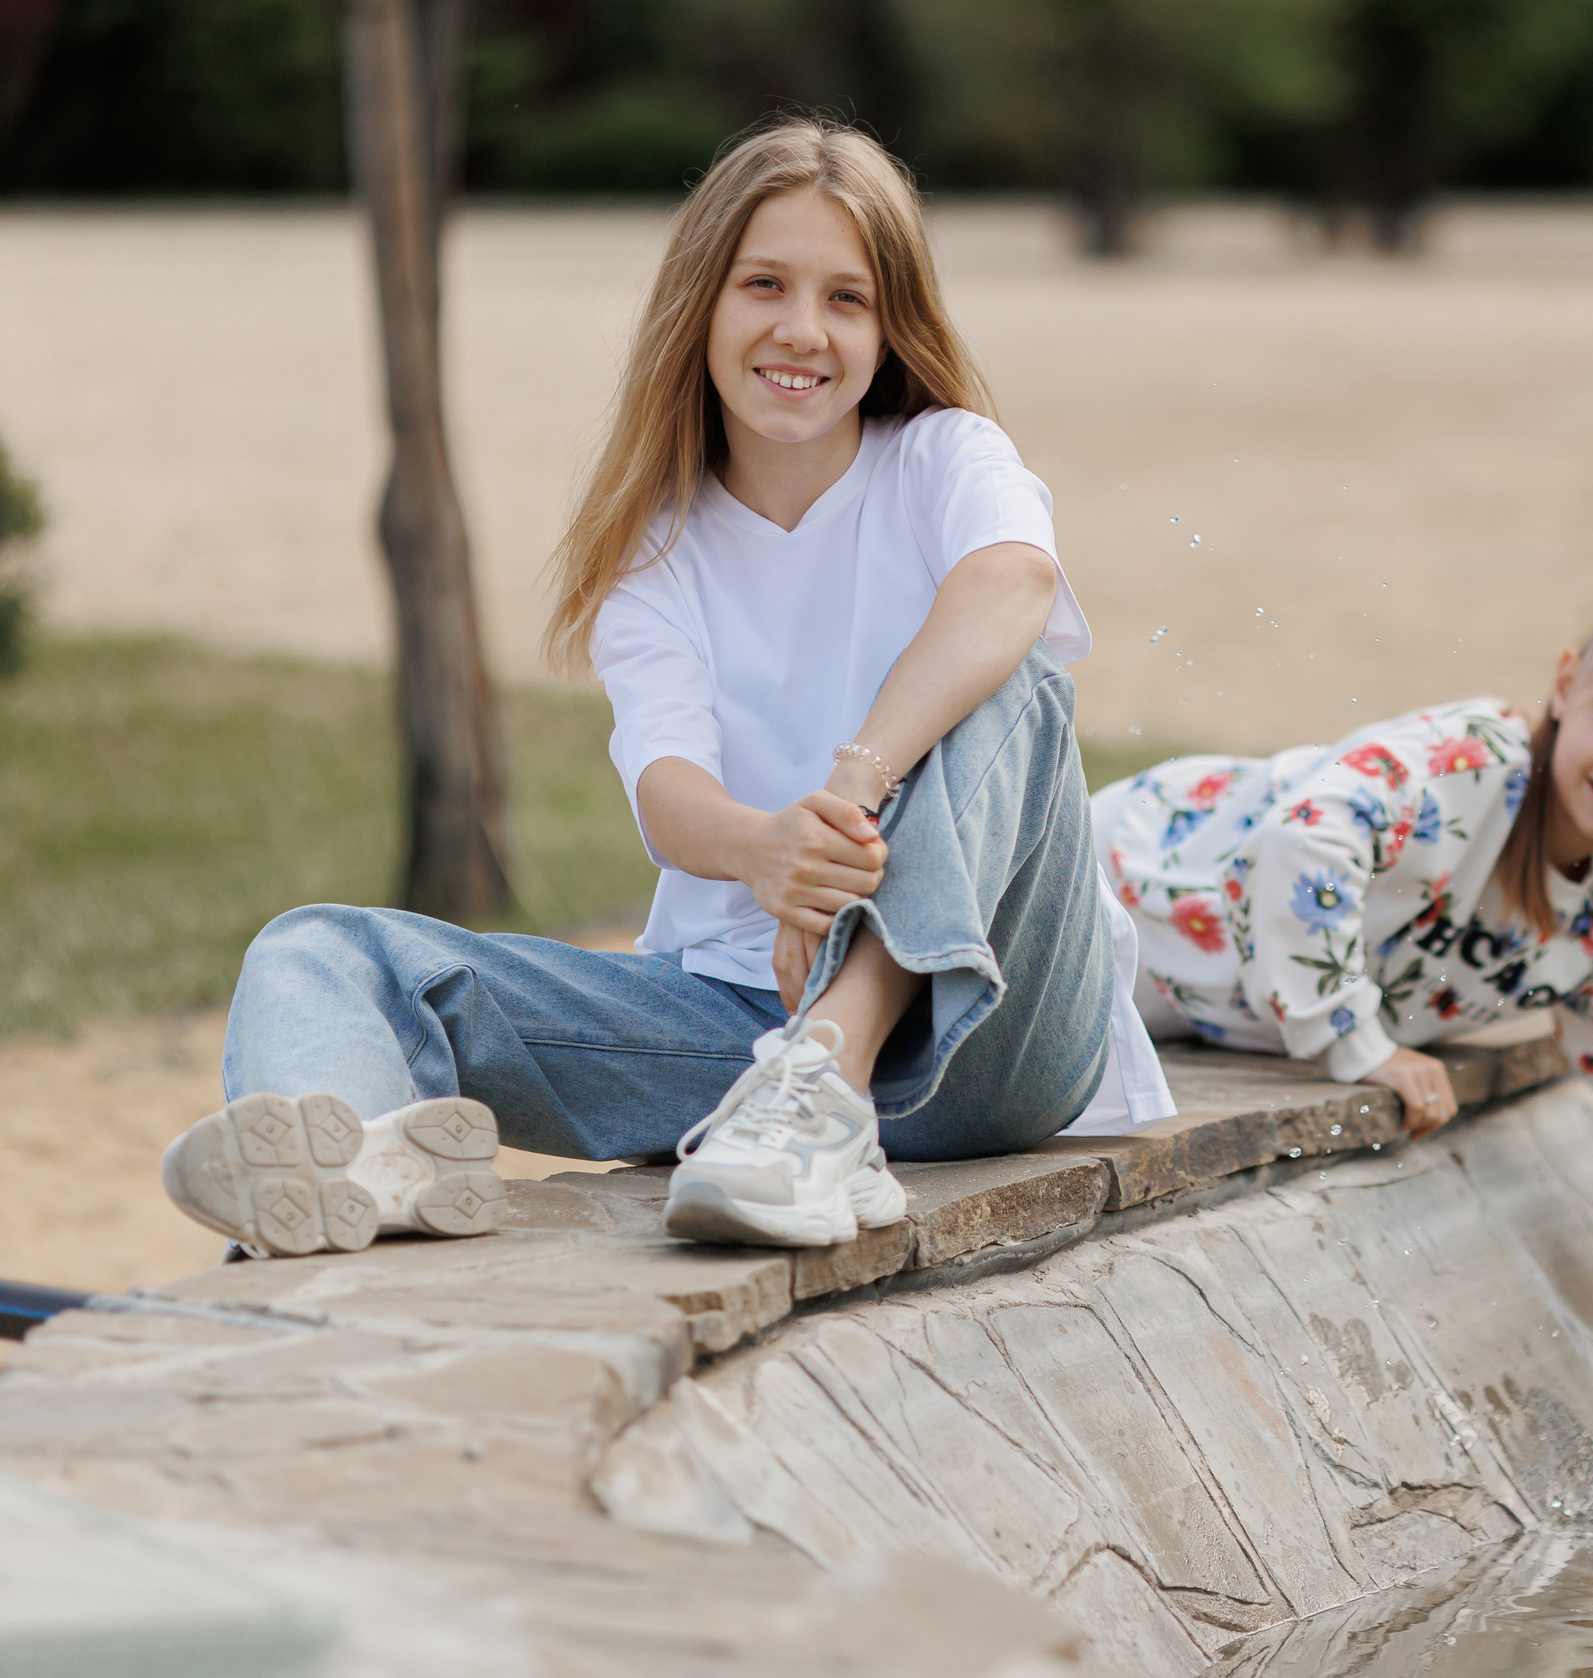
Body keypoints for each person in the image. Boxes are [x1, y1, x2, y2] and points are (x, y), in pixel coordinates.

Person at [161, 119, 1171, 1259]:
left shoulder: (946, 460)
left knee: (1012, 684)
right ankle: (351, 1162)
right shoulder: (654, 551)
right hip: (733, 1034)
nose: (802, 329)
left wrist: (843, 807)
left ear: (891, 331)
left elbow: (1011, 583)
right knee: (317, 949)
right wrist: (763, 852)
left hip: (990, 1034)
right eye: (764, 285)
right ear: (701, 302)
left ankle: (824, 1082)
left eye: (847, 298)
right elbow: (668, 790)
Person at [1096, 578, 1593, 1262]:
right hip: (1098, 887)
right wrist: (1354, 1042)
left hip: (1133, 1006)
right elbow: (1302, 843)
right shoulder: (1469, 765)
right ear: (1566, 685)